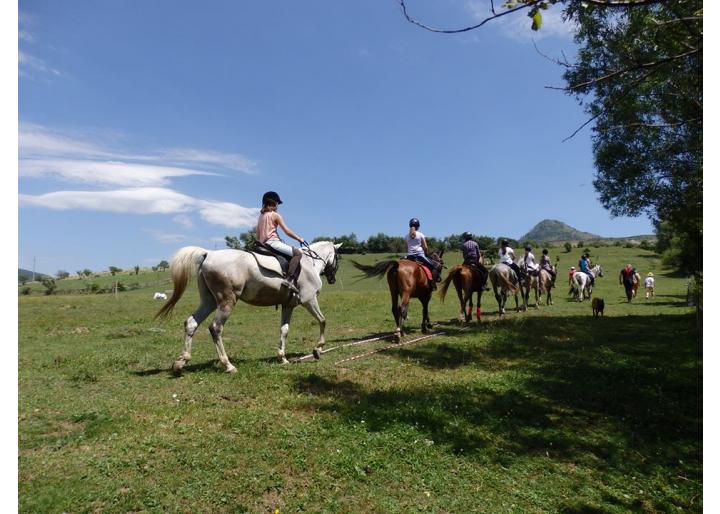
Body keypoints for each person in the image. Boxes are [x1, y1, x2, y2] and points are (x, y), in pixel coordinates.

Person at [256, 191, 305, 294]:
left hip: (262, 245)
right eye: (277, 203)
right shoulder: (275, 215)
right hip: (273, 243)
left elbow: (258, 234)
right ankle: (289, 280)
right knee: (297, 254)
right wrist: (299, 239)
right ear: (274, 203)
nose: (278, 206)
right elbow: (287, 231)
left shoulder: (261, 216)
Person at [404, 218, 441, 288]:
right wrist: (426, 254)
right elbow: (425, 247)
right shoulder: (421, 234)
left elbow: (406, 249)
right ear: (418, 226)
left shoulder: (406, 236)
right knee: (434, 266)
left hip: (409, 256)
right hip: (419, 256)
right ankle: (433, 284)